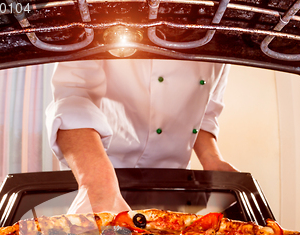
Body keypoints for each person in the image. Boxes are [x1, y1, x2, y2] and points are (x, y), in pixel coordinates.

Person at [45, 59, 237, 214]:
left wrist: (212, 160)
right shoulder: (100, 12)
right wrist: (97, 184)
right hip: (100, 172)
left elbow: (206, 112)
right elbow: (73, 99)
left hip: (173, 184)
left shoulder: (220, 33)